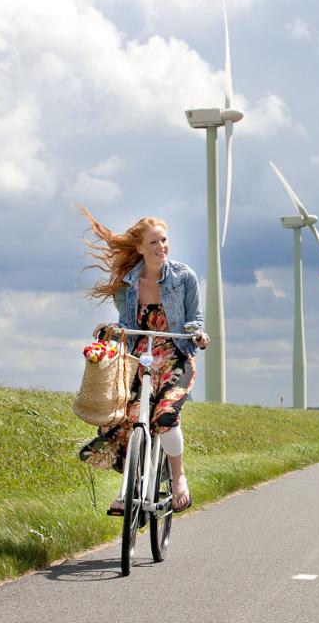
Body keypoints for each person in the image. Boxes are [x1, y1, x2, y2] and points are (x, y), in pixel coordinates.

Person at [77, 206, 208, 514]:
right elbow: (125, 323)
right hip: (142, 360)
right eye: (154, 242)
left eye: (164, 240)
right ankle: (129, 490)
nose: (161, 247)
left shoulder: (184, 277)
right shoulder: (127, 285)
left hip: (177, 357)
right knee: (130, 417)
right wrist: (111, 331)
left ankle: (178, 480)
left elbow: (195, 320)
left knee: (164, 416)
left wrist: (199, 335)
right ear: (139, 248)